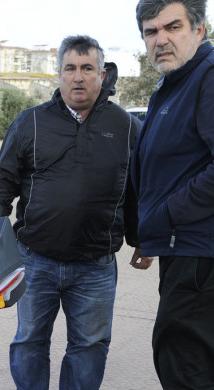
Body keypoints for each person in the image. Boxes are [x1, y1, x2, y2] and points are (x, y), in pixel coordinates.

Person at [0, 35, 153, 390]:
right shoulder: (29, 122)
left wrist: (142, 239)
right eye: (70, 68)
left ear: (103, 75)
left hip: (95, 266)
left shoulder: (127, 128)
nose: (78, 77)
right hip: (35, 260)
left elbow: (137, 190)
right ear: (58, 74)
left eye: (87, 68)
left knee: (89, 347)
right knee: (29, 341)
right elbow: (3, 185)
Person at [132, 0, 214, 388]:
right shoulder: (173, 84)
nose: (160, 39)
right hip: (183, 248)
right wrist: (150, 232)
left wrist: (165, 217)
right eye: (151, 31)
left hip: (200, 256)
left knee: (182, 361)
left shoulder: (208, 78)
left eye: (173, 27)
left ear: (200, 30)